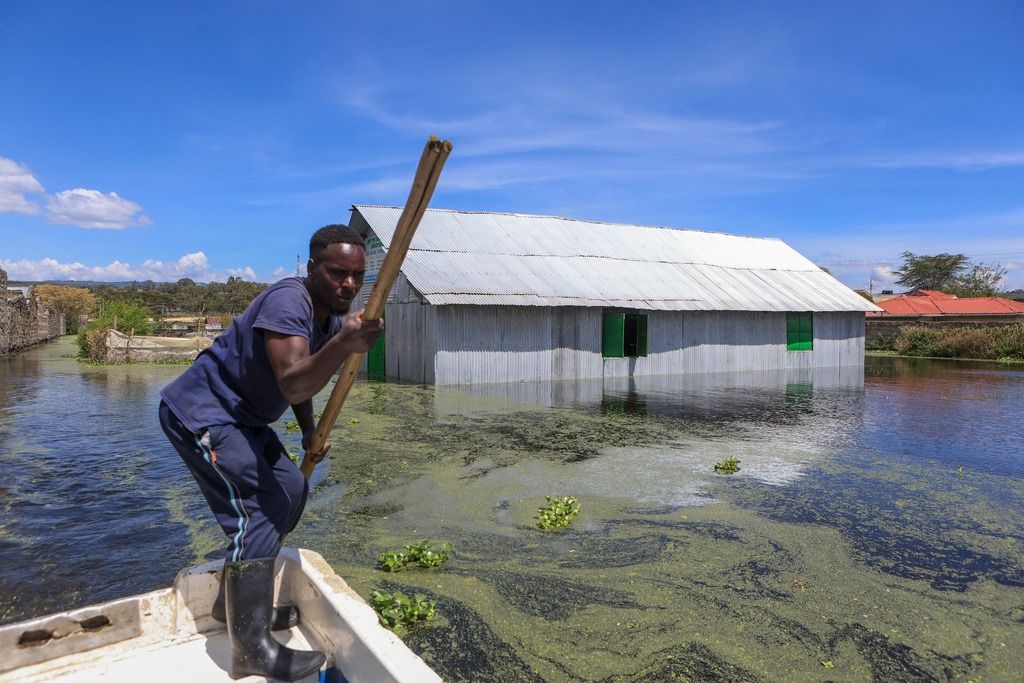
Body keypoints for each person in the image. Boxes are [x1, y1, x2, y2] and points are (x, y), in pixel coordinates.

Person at [159, 224, 383, 681]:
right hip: (203, 413)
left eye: (357, 276)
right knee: (259, 510)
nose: (349, 285)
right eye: (338, 273)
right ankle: (251, 647)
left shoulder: (332, 318)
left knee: (292, 488)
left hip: (244, 420)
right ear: (312, 267)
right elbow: (294, 379)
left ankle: (235, 608)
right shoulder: (289, 300)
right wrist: (344, 344)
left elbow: (305, 383)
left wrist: (309, 432)